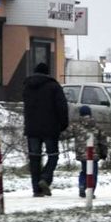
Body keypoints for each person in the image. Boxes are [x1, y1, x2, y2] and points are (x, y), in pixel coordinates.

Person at [21, 62, 69, 197]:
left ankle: (36, 189)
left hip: (32, 129)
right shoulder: (54, 86)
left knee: (34, 158)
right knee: (53, 156)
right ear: (48, 73)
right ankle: (45, 178)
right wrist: (63, 125)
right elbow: (62, 107)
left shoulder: (27, 86)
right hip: (50, 128)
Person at [70, 105, 108, 197]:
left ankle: (82, 185)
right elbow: (103, 141)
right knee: (93, 173)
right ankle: (91, 191)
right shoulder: (96, 126)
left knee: (84, 171)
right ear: (90, 114)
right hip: (93, 154)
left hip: (82, 153)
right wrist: (104, 153)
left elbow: (65, 134)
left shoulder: (76, 126)